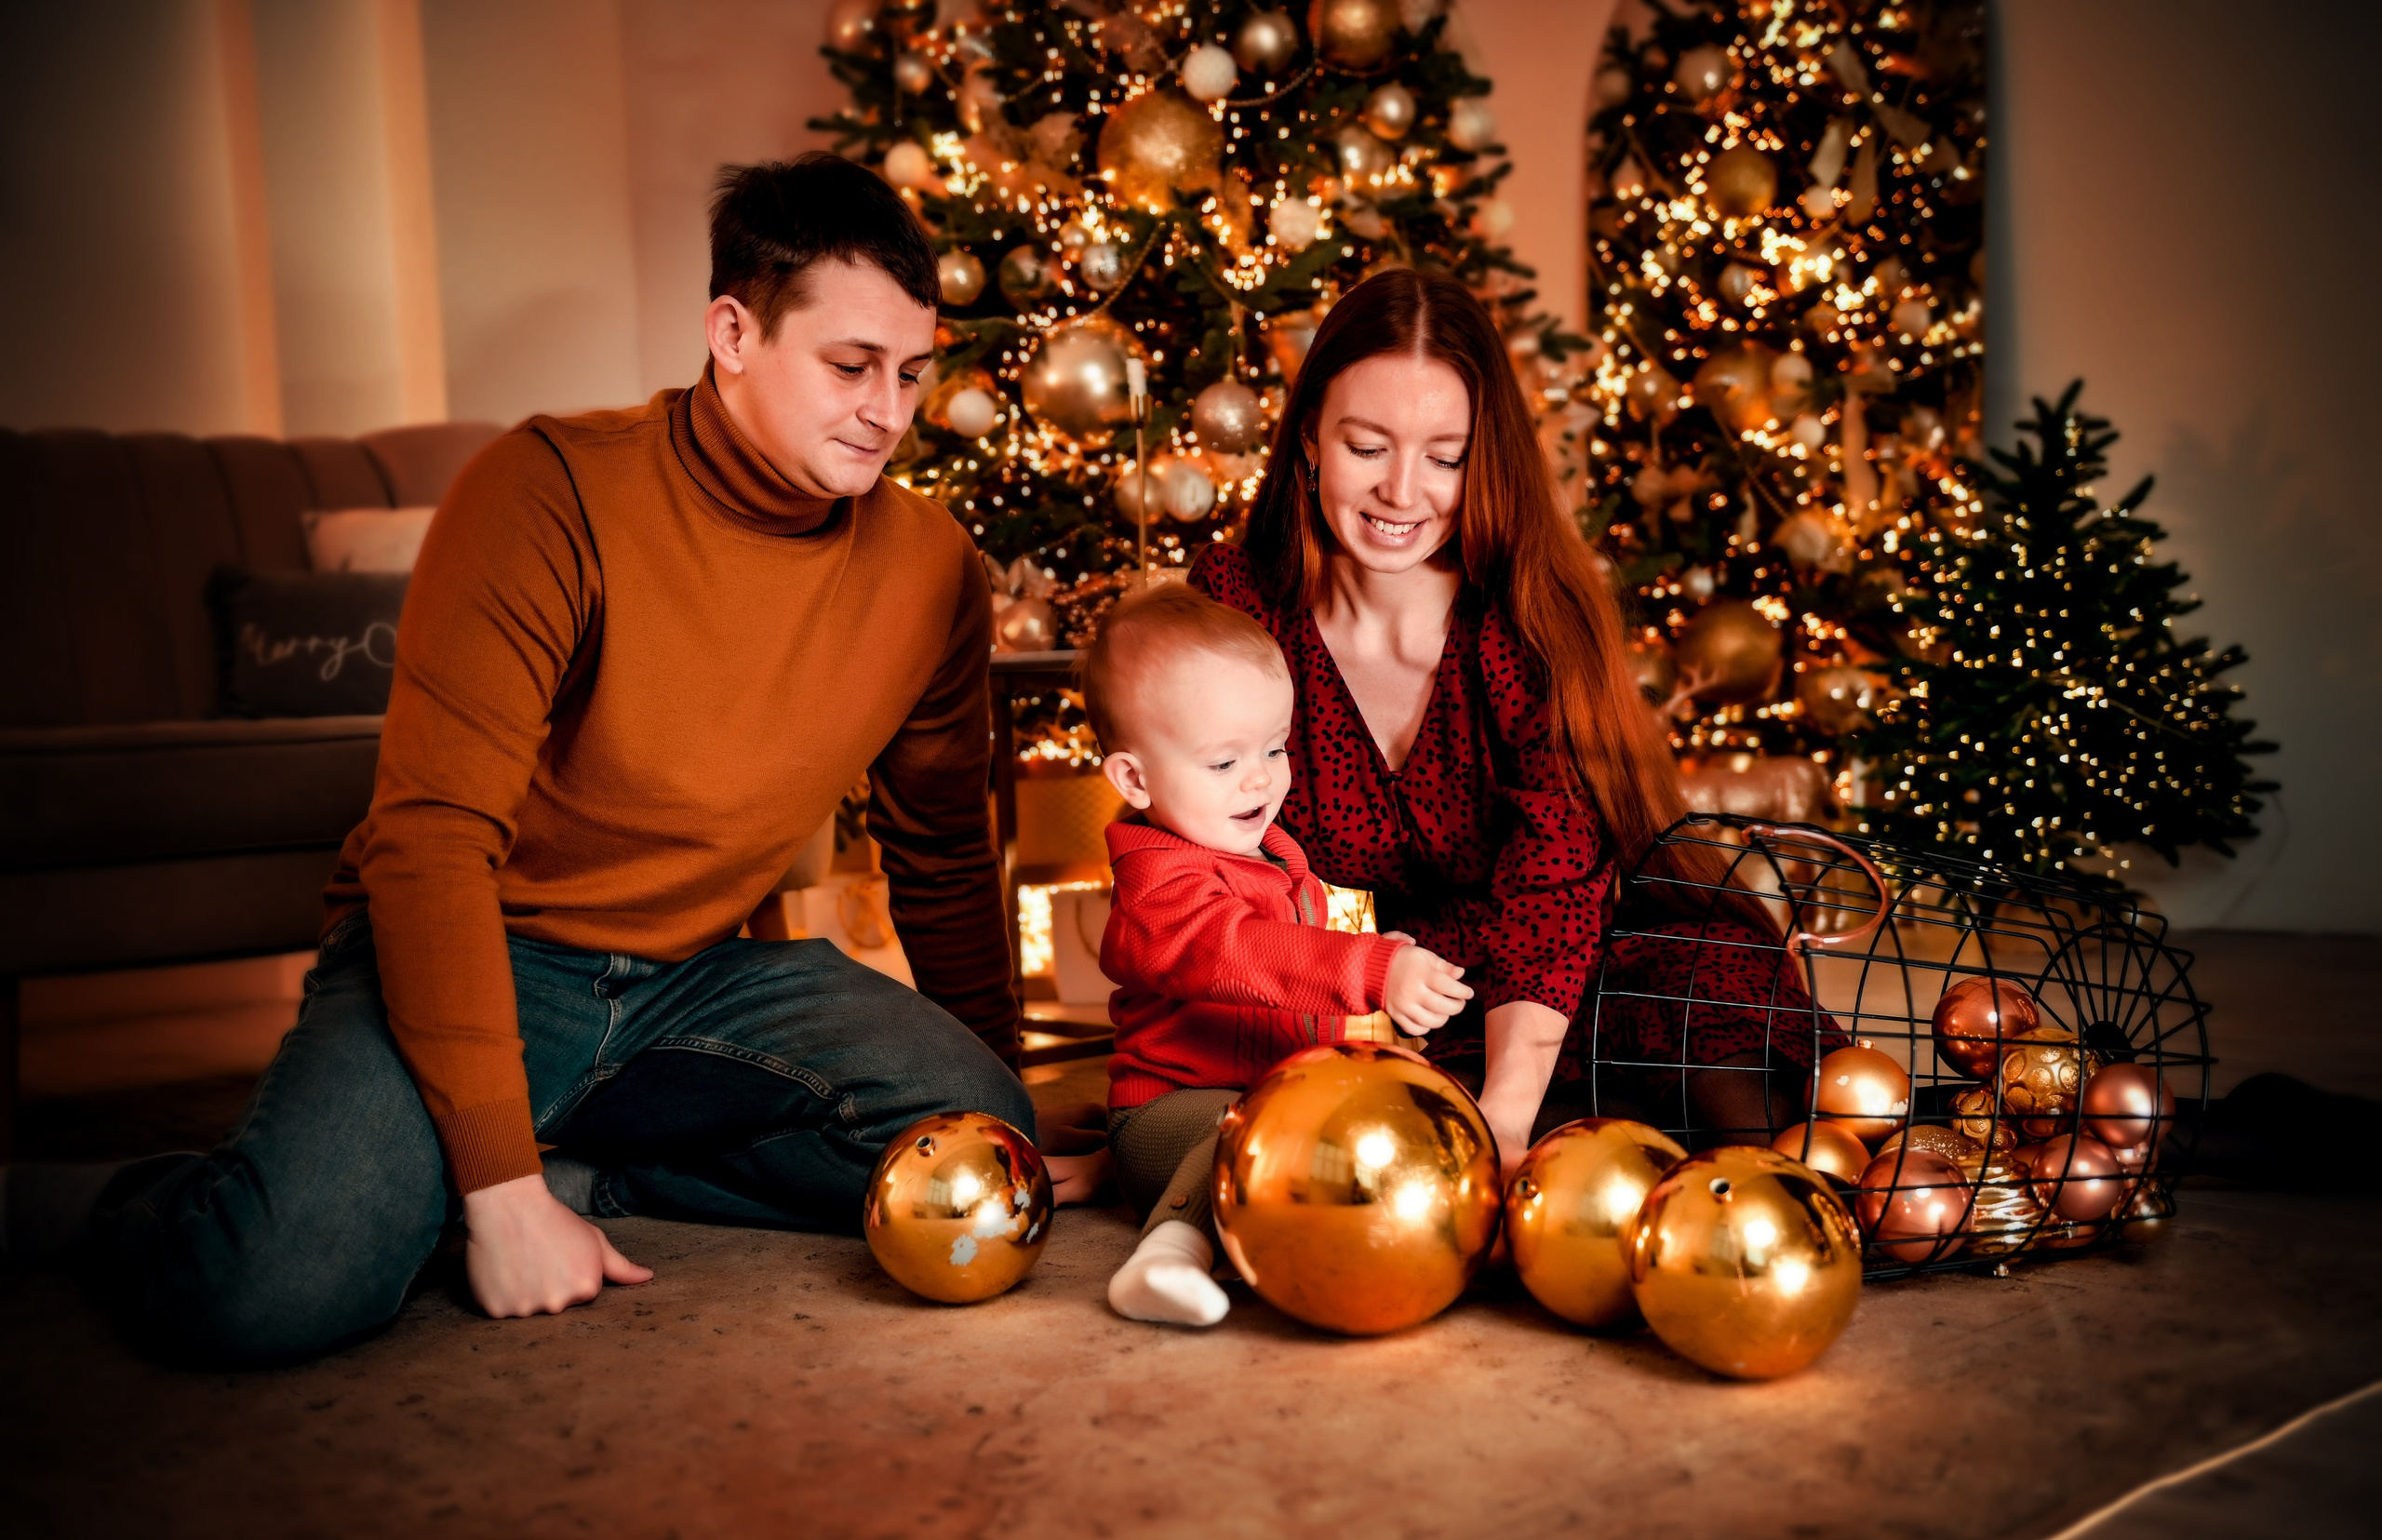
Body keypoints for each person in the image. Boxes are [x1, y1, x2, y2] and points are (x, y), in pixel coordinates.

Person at [3, 154, 1034, 1365]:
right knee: (269, 1290)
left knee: (968, 1144)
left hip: (699, 987)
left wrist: (997, 1098)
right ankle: (120, 1199)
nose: (888, 411)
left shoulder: (932, 570)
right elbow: (429, 841)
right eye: (850, 367)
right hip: (483, 949)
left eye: (913, 374)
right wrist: (496, 1196)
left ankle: (575, 1175)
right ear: (733, 333)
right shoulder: (546, 492)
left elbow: (943, 851)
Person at [1191, 268, 1842, 1172]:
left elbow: (1554, 883)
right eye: (1367, 446)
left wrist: (1505, 1117)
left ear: (1482, 458)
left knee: (1745, 1113)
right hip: (1381, 985)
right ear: (1309, 438)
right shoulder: (1236, 607)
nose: (1402, 492)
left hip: (1586, 955)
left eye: (1444, 457)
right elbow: (1194, 864)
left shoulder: (1527, 615)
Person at [1082, 584, 1474, 1326]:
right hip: (1172, 1116)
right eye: (1223, 763)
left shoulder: (1270, 851)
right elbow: (1239, 953)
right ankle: (1167, 1254)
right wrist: (1363, 968)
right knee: (1241, 1132)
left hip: (1276, 1102)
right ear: (1134, 779)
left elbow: (1291, 976)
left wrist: (1381, 968)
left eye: (1273, 747)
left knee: (1333, 1128)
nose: (1261, 779)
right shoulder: (1155, 887)